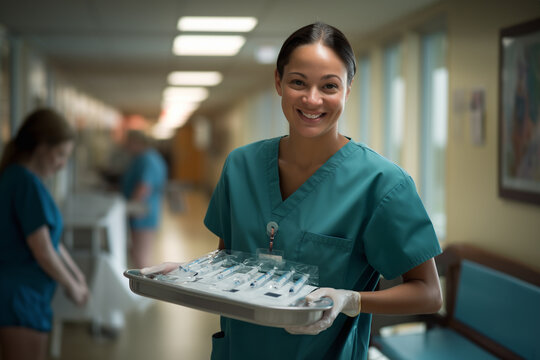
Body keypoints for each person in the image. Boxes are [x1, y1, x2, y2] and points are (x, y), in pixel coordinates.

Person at [142, 22, 442, 359]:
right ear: (278, 82)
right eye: (298, 82)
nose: (312, 99)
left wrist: (351, 300)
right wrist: (185, 274)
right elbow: (225, 260)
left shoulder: (383, 183)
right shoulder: (241, 166)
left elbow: (429, 294)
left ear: (348, 88)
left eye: (329, 86)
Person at [0, 108, 89, 360]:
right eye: (60, 154)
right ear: (41, 147)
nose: (62, 164)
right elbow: (43, 250)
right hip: (20, 295)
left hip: (29, 294)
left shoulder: (22, 179)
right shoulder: (24, 182)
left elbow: (51, 241)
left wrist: (77, 275)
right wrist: (71, 284)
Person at [121, 129, 167, 269]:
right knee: (138, 255)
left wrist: (127, 208)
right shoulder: (146, 158)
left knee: (141, 259)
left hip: (143, 214)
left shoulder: (147, 159)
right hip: (144, 212)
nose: (126, 146)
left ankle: (144, 288)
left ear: (137, 142)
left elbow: (143, 187)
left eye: (128, 143)